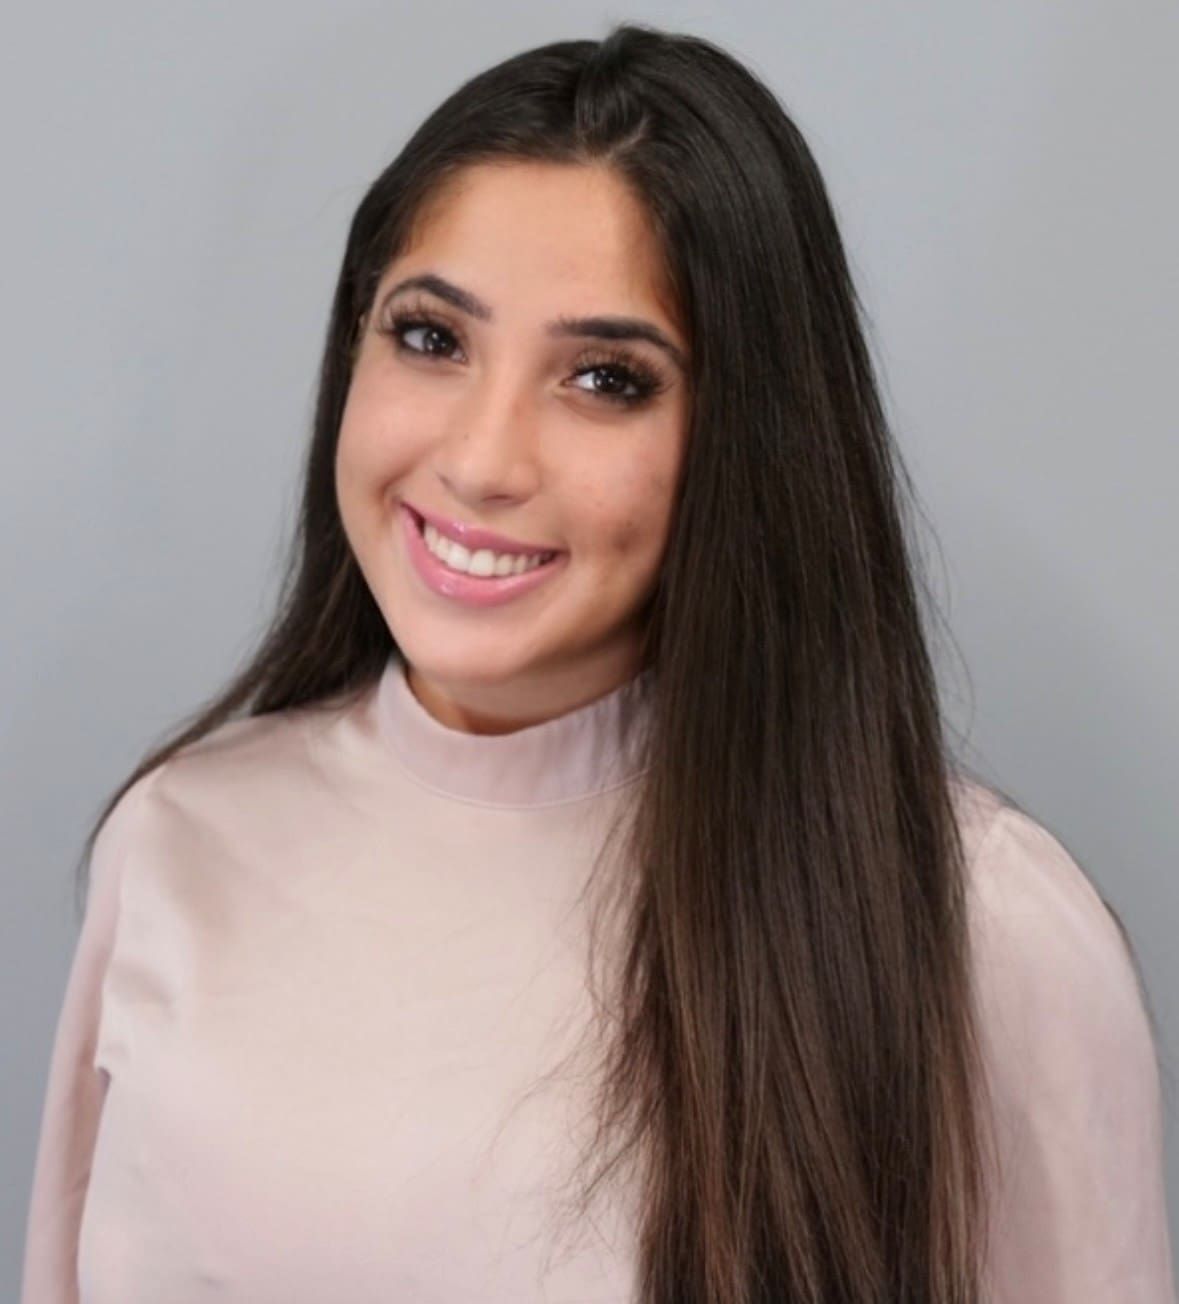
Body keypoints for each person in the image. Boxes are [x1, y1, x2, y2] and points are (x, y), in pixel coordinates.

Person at [20, 21, 1175, 1304]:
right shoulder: (177, 840)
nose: (482, 461)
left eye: (607, 378)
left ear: (747, 435)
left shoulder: (978, 927)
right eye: (431, 338)